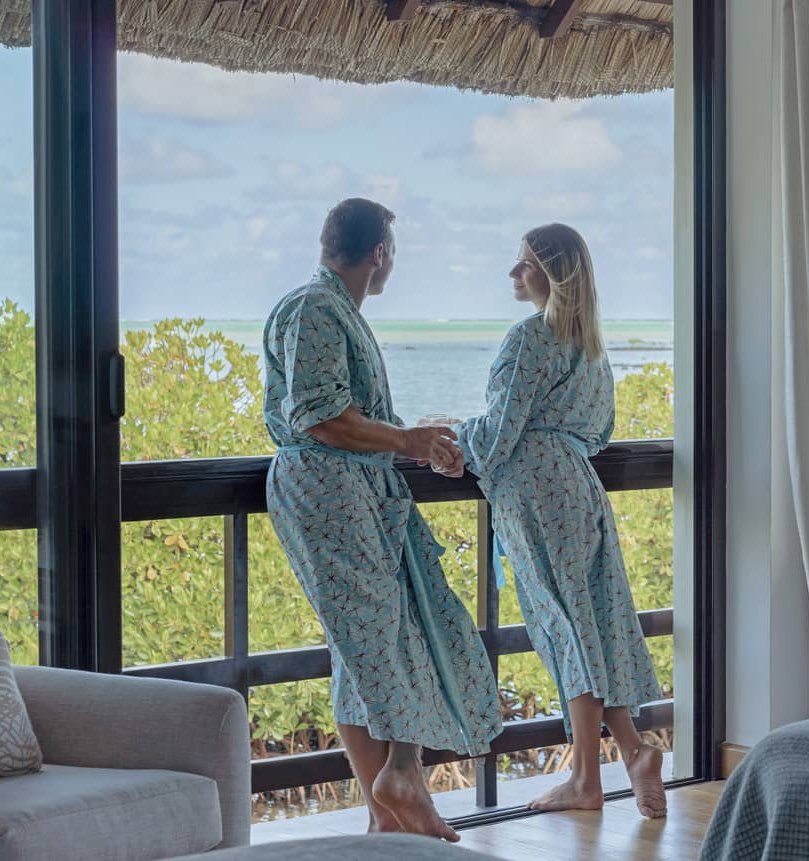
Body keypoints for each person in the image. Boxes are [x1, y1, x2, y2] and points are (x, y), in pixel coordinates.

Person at [263, 198, 502, 841]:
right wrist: (407, 441)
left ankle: (384, 818)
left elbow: (346, 414)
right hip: (327, 493)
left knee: (367, 642)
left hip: (357, 491)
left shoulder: (335, 311)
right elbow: (318, 416)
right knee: (375, 637)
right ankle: (402, 777)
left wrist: (419, 442)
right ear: (379, 254)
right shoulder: (315, 308)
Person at [443, 223, 667, 818]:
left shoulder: (529, 339)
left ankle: (587, 780)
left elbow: (496, 437)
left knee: (563, 625)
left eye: (524, 264)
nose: (514, 275)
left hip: (535, 491)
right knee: (588, 621)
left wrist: (446, 436)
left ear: (554, 274)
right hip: (579, 486)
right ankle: (633, 750)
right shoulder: (589, 346)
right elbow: (599, 433)